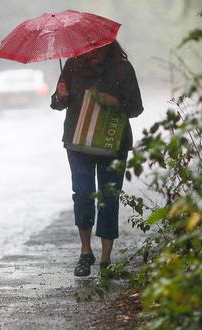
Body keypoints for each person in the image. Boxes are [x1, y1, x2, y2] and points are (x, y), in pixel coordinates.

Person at [50, 41, 143, 277]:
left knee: (108, 196)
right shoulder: (73, 65)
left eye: (96, 49)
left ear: (107, 46)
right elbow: (57, 103)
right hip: (78, 142)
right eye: (87, 48)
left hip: (113, 145)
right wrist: (61, 96)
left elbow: (136, 108)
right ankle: (85, 251)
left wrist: (116, 102)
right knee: (82, 193)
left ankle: (105, 258)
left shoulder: (122, 69)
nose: (91, 53)